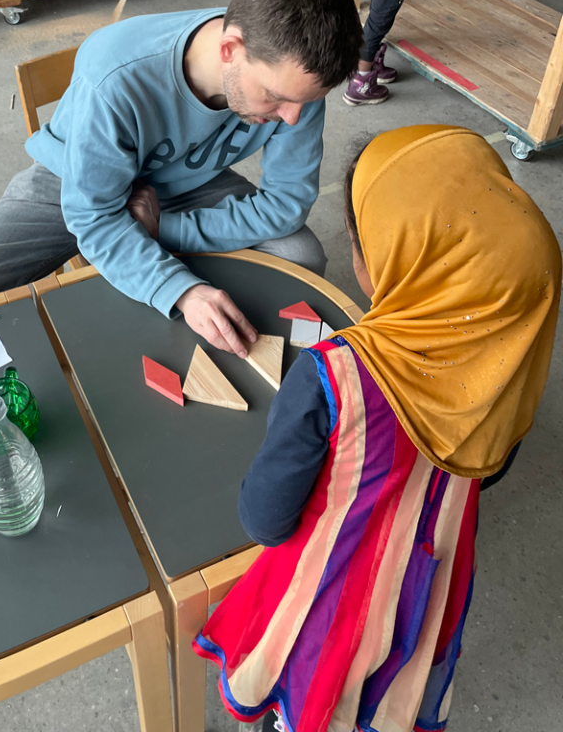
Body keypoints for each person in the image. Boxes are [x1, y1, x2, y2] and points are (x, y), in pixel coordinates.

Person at [194, 124, 561, 732]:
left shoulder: (331, 376)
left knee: (317, 696)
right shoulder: (514, 362)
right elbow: (487, 471)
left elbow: (265, 519)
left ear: (392, 261)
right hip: (427, 590)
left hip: (329, 606)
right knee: (389, 690)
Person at [0, 0, 363, 357]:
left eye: (305, 102)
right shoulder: (116, 74)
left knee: (300, 255)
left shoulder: (295, 81)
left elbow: (286, 203)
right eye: (275, 97)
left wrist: (163, 229)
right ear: (229, 50)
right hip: (78, 176)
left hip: (191, 178)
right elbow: (94, 216)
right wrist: (181, 289)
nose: (292, 118)